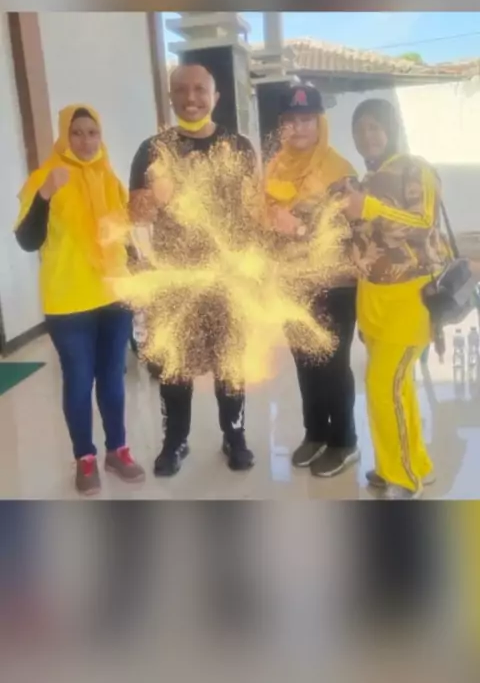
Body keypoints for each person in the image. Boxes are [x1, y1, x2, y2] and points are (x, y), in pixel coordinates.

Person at [129, 63, 257, 477]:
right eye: (181, 89)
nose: (191, 97)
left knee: (230, 362)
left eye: (200, 89)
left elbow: (253, 215)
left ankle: (234, 435)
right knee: (175, 365)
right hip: (175, 282)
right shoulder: (152, 150)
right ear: (170, 97)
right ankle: (175, 441)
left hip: (227, 279)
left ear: (215, 96)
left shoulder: (239, 147)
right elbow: (137, 218)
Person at [15, 105, 145, 496]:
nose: (86, 141)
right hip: (69, 302)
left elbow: (123, 235)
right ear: (64, 135)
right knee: (78, 380)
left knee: (113, 377)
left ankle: (117, 450)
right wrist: (45, 194)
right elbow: (28, 241)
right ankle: (85, 457)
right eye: (77, 133)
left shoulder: (110, 178)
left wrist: (137, 268)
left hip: (114, 295)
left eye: (92, 133)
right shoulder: (45, 177)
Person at [345, 98, 445, 500]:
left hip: (409, 299)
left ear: (391, 128)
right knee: (397, 388)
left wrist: (367, 206)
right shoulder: (368, 178)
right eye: (359, 129)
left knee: (381, 385)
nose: (366, 136)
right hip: (374, 299)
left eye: (374, 126)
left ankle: (403, 479)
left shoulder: (415, 168)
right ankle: (411, 463)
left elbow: (424, 222)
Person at [265, 83, 360, 478]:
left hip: (334, 284)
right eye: (291, 120)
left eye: (306, 119)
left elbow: (352, 230)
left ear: (320, 123)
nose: (299, 128)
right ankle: (316, 432)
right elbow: (263, 218)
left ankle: (345, 441)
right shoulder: (275, 167)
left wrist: (300, 227)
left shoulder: (340, 170)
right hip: (291, 282)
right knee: (304, 362)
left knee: (333, 365)